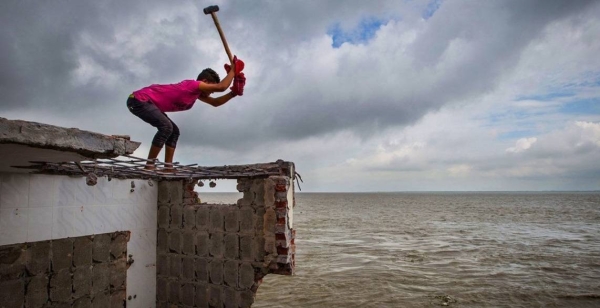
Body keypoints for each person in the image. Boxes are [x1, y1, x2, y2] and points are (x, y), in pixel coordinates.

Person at [126, 56, 245, 171]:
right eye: (211, 89)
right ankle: (150, 165)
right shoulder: (193, 85)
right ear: (204, 81)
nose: (211, 92)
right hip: (139, 100)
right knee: (166, 127)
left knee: (174, 131)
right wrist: (233, 70)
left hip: (147, 103)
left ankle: (168, 167)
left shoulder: (197, 94)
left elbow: (215, 102)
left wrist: (233, 93)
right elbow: (221, 87)